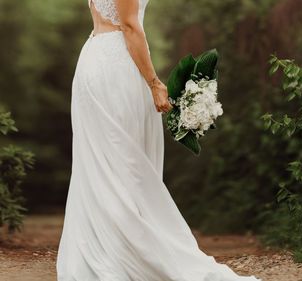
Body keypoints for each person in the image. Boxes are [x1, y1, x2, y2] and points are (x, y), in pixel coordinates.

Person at [56, 1, 261, 280]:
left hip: (95, 57)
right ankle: (125, 254)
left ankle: (104, 250)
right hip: (116, 66)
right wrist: (154, 82)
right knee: (125, 166)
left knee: (104, 164)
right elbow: (129, 26)